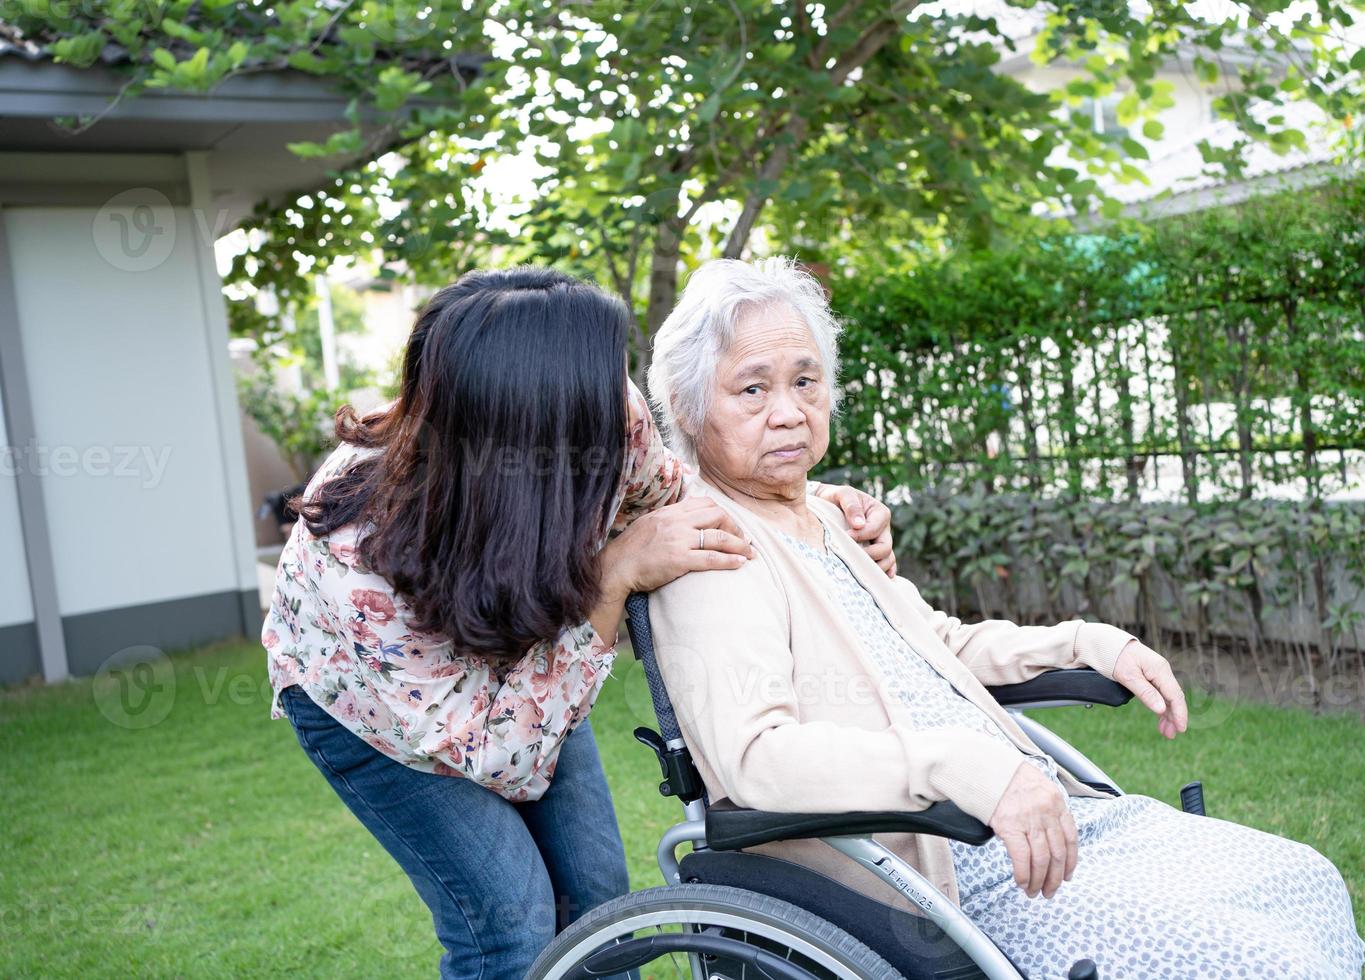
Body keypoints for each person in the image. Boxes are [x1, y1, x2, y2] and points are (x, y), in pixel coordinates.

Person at [644, 257, 1365, 978]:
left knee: (1302, 878)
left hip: (1030, 821)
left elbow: (935, 645)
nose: (789, 411)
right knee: (1257, 959)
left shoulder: (828, 516)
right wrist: (964, 765)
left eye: (805, 381)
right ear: (686, 406)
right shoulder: (714, 547)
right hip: (946, 873)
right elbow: (759, 757)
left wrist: (1089, 643)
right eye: (752, 388)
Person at [260, 266, 896, 980]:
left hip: (524, 659)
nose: (625, 412)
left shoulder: (600, 414)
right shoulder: (358, 548)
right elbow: (499, 754)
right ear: (518, 428)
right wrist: (615, 572)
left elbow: (687, 503)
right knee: (510, 921)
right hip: (377, 710)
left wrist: (828, 509)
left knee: (594, 897)